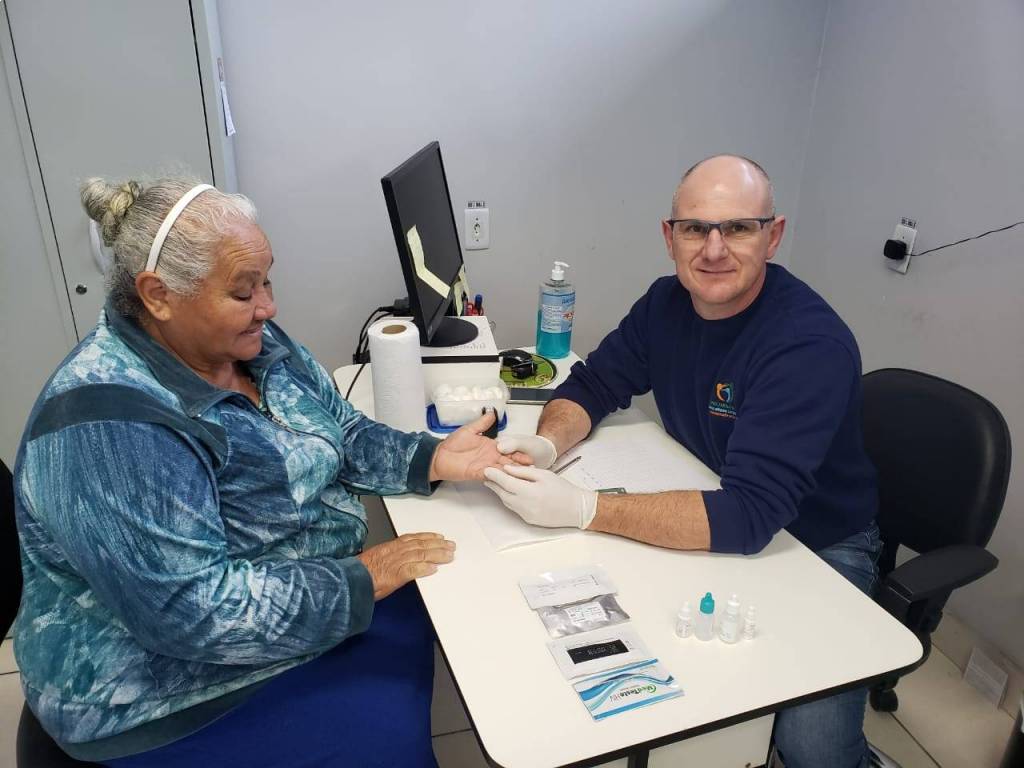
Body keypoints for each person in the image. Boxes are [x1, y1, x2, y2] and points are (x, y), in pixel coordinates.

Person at [12, 175, 526, 767]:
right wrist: (364, 576)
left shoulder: (248, 344)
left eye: (267, 281)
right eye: (242, 291)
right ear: (158, 296)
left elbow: (339, 429)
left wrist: (429, 457)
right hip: (163, 695)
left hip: (287, 602)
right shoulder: (108, 424)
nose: (268, 307)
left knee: (462, 604)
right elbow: (192, 616)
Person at [484, 155, 880, 768]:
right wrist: (548, 444)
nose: (714, 249)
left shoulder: (807, 345)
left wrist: (585, 507)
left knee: (812, 746)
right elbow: (593, 384)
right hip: (722, 494)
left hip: (820, 540)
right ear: (670, 238)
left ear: (773, 235)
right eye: (696, 228)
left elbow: (749, 518)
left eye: (738, 227)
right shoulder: (666, 303)